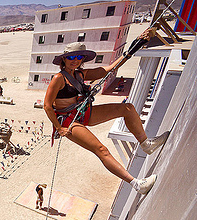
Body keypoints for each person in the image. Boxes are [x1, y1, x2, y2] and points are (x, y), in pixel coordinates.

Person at [43, 40, 169, 195]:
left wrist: (133, 49)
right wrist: (59, 128)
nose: (75, 60)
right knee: (101, 149)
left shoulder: (80, 74)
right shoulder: (58, 78)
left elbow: (107, 70)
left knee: (126, 108)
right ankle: (137, 184)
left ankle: (146, 143)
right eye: (71, 57)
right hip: (68, 121)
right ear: (64, 59)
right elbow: (47, 106)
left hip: (82, 113)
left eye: (79, 57)